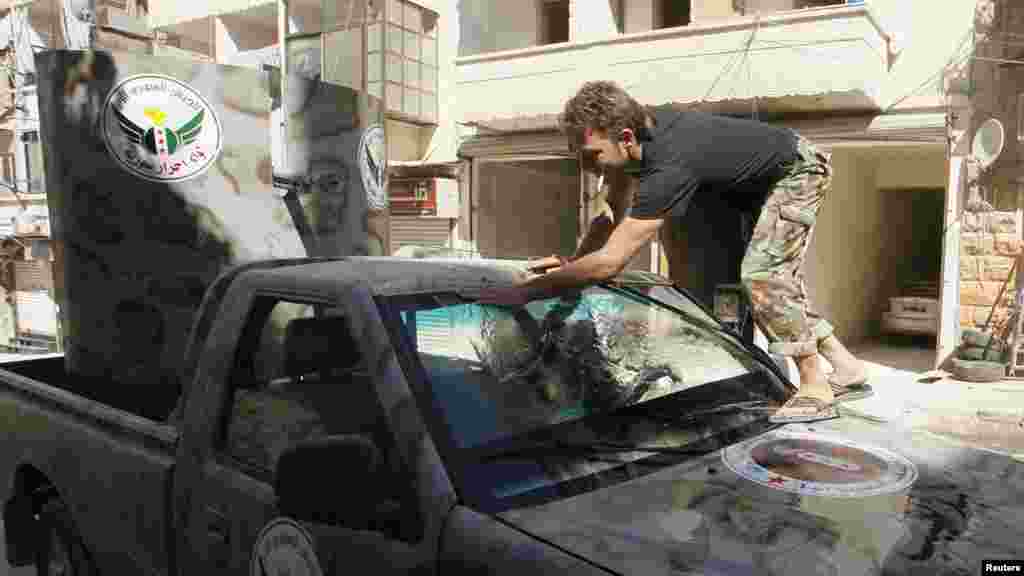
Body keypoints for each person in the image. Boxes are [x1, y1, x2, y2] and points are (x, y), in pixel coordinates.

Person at [476, 80, 870, 423]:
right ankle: (847, 367)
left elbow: (610, 262)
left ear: (625, 138)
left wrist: (526, 292)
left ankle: (815, 387)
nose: (585, 165)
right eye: (578, 155)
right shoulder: (628, 148)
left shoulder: (668, 166)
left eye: (590, 155)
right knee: (758, 279)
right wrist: (574, 263)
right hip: (749, 185)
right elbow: (610, 216)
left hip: (797, 170)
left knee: (763, 275)